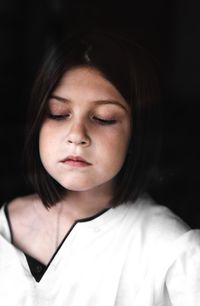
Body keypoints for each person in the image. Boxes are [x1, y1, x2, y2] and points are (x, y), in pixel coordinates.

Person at [0, 27, 200, 305]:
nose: (77, 135)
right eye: (59, 114)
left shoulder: (173, 252)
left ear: (137, 133)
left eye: (104, 118)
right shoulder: (4, 225)